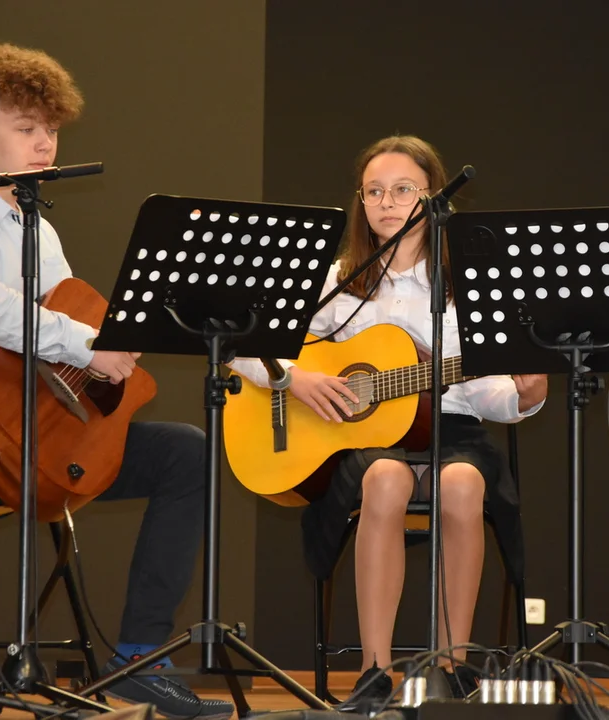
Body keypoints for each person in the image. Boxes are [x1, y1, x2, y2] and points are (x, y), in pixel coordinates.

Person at [0, 41, 232, 719]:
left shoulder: (36, 225)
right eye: (28, 129)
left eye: (51, 129)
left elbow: (61, 319)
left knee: (186, 450)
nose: (46, 143)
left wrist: (113, 350)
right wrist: (90, 343)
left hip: (39, 425)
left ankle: (138, 656)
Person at [230, 135, 548, 702]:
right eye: (374, 191)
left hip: (453, 427)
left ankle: (453, 665)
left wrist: (526, 393)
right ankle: (375, 671)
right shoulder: (336, 281)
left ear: (432, 199)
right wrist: (294, 378)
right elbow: (236, 345)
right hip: (366, 442)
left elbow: (489, 395)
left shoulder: (468, 287)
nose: (387, 201)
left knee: (462, 482)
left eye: (404, 189)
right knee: (385, 479)